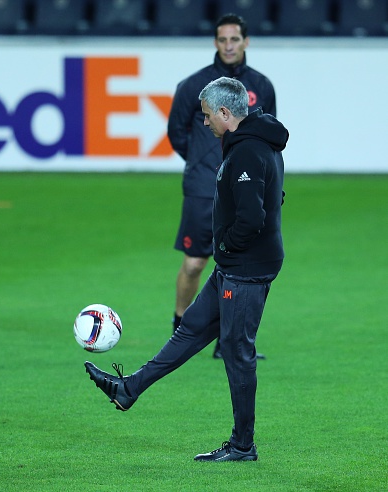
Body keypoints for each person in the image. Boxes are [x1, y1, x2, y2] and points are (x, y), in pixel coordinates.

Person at [85, 77, 289, 462]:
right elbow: (275, 194)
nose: (205, 122)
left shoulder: (247, 152)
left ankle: (243, 445)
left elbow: (253, 216)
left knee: (236, 350)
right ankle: (128, 389)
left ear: (226, 113)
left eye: (208, 115)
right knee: (191, 329)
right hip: (235, 266)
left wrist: (225, 244)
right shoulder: (256, 143)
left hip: (245, 269)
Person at [168, 13, 276, 359]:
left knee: (239, 264)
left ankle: (227, 342)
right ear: (215, 42)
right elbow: (176, 133)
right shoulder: (192, 86)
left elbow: (266, 134)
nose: (228, 46)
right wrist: (204, 164)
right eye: (222, 40)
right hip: (203, 186)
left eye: (235, 39)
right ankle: (180, 331)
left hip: (243, 188)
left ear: (246, 42)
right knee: (195, 263)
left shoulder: (263, 85)